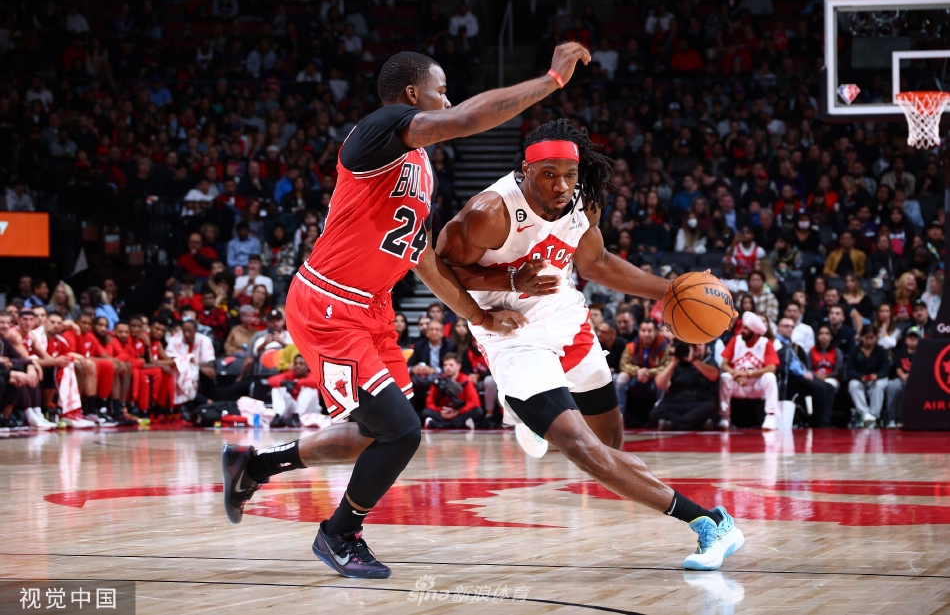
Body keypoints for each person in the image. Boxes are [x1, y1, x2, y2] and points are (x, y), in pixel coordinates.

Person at [223, 44, 593, 579]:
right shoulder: (378, 130)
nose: (449, 99)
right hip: (330, 303)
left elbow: (426, 262)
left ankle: (254, 464)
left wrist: (480, 317)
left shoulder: (419, 167)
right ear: (414, 94)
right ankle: (339, 534)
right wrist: (551, 80)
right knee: (402, 432)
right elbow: (465, 121)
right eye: (442, 91)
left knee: (375, 433)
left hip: (373, 309)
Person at [436, 118, 744, 570]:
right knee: (583, 449)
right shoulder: (490, 211)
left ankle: (530, 414)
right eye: (548, 175)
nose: (561, 186)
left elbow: (595, 263)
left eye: (569, 175)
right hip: (510, 330)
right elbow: (437, 267)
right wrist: (507, 282)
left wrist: (671, 291)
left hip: (564, 314)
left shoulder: (584, 200)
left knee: (609, 445)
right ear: (525, 170)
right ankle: (710, 523)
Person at [719, 312, 780, 431]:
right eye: (743, 327)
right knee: (725, 377)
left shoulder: (766, 343)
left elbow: (771, 368)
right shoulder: (735, 340)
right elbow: (724, 364)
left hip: (756, 386)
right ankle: (725, 416)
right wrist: (736, 374)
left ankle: (771, 416)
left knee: (770, 377)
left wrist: (747, 374)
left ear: (754, 331)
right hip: (739, 384)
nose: (742, 331)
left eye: (746, 329)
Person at [775, 317, 835, 428]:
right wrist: (802, 373)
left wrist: (805, 371)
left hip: (800, 374)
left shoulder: (790, 344)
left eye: (792, 327)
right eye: (786, 326)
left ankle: (826, 421)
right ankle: (818, 423)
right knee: (820, 388)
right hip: (789, 377)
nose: (789, 329)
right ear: (778, 328)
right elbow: (786, 365)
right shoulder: (777, 344)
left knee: (830, 388)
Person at [651, 341, 720, 430]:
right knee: (655, 413)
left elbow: (714, 376)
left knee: (710, 407)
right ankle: (698, 423)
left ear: (705, 347)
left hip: (699, 403)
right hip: (677, 403)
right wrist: (673, 362)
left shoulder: (708, 361)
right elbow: (659, 384)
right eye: (693, 346)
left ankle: (673, 424)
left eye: (699, 345)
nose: (696, 348)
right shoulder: (677, 363)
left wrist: (693, 360)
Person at [618, 319, 669, 428]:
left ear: (655, 332)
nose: (646, 334)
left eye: (649, 331)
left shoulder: (664, 346)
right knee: (620, 378)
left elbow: (666, 366)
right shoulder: (631, 346)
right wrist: (637, 371)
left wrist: (648, 373)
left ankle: (659, 412)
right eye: (643, 330)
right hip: (636, 376)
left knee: (664, 379)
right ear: (639, 331)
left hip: (655, 378)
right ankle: (620, 415)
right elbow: (623, 364)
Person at [420, 353, 484, 429]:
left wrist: (458, 412)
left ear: (458, 366)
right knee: (426, 412)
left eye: (451, 365)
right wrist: (440, 411)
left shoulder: (466, 380)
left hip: (459, 411)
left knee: (478, 411)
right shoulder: (438, 380)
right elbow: (429, 401)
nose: (448, 368)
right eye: (445, 365)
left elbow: (475, 402)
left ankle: (438, 424)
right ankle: (462, 424)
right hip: (443, 411)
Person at [847, 325, 890, 428]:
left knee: (879, 385)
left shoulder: (881, 350)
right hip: (860, 378)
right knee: (853, 385)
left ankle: (874, 415)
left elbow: (886, 369)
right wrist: (860, 377)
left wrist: (877, 375)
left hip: (877, 378)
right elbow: (850, 369)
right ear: (862, 337)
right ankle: (865, 414)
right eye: (867, 338)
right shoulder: (855, 350)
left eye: (872, 338)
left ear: (876, 338)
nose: (869, 341)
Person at [884, 325, 919, 429]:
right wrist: (903, 376)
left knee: (906, 387)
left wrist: (911, 377)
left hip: (917, 379)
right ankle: (891, 418)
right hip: (901, 377)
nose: (912, 340)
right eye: (910, 338)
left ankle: (905, 417)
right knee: (892, 387)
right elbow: (898, 368)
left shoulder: (922, 353)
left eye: (915, 338)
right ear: (906, 339)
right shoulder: (900, 352)